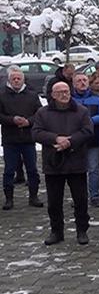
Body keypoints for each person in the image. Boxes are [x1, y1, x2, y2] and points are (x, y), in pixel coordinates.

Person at [31, 81, 94, 245]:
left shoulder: (81, 111)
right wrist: (55, 138)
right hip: (53, 162)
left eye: (66, 91)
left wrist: (70, 141)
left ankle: (82, 231)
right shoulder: (42, 113)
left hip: (76, 162)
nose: (64, 95)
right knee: (54, 202)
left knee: (80, 200)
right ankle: (56, 231)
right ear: (52, 95)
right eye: (59, 92)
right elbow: (36, 133)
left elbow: (88, 131)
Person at [0, 66, 44, 210]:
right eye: (14, 79)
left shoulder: (31, 95)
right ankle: (9, 199)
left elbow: (39, 113)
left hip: (28, 138)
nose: (17, 81)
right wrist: (12, 120)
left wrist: (28, 121)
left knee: (32, 169)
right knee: (9, 171)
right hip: (10, 139)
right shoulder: (2, 95)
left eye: (19, 79)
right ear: (9, 80)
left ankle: (33, 196)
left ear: (23, 80)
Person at [71, 71, 99, 208]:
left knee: (93, 169)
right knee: (77, 170)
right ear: (74, 83)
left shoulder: (97, 98)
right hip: (75, 140)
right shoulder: (69, 99)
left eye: (85, 80)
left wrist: (89, 121)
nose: (82, 83)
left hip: (92, 139)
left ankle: (94, 196)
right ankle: (79, 197)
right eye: (79, 80)